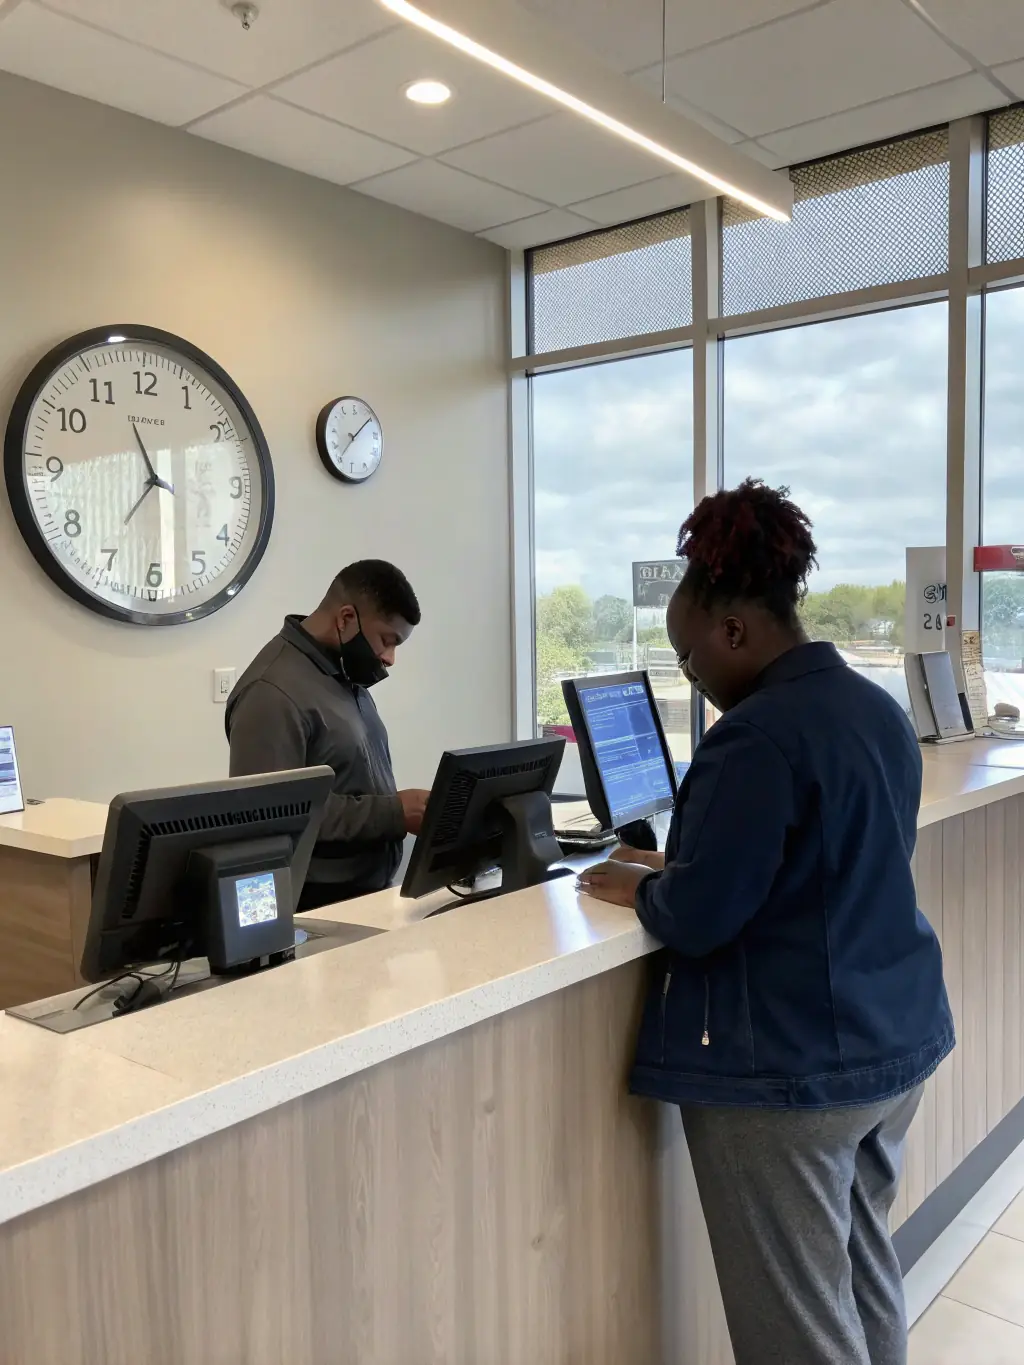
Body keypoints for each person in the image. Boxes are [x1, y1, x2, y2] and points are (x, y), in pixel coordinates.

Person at [578, 480, 954, 1365]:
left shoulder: (753, 737)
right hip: (891, 1042)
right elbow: (821, 861)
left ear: (734, 631)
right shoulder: (873, 708)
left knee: (796, 1331)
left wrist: (644, 888)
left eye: (689, 656)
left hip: (791, 1070)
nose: (693, 677)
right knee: (863, 1280)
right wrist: (682, 867)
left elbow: (703, 918)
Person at [226, 560, 430, 911]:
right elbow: (271, 818)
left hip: (366, 900)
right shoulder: (271, 692)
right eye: (387, 640)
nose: (391, 658)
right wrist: (394, 812)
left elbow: (347, 784)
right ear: (346, 618)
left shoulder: (344, 672)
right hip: (315, 915)